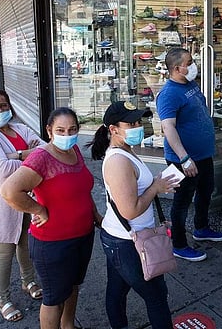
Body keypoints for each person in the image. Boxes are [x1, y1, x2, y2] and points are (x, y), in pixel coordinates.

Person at [0, 107, 103, 329]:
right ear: (49, 130)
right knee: (54, 298)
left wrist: (95, 214)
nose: (67, 135)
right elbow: (9, 191)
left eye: (72, 129)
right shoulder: (41, 158)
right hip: (53, 243)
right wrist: (38, 210)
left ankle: (68, 325)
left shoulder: (74, 150)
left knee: (73, 285)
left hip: (83, 235)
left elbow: (82, 190)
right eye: (61, 130)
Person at [88, 101, 178, 329]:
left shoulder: (126, 151)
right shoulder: (118, 161)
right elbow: (130, 210)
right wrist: (156, 188)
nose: (138, 126)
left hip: (125, 238)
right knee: (157, 295)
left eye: (139, 121)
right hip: (126, 241)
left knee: (117, 290)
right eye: (131, 123)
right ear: (113, 129)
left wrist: (158, 185)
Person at [0, 90, 46, 322]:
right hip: (0, 203)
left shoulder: (20, 129)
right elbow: (1, 169)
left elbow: (44, 150)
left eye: (3, 105)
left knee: (25, 243)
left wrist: (14, 156)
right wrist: (25, 154)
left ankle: (28, 280)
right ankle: (2, 299)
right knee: (3, 251)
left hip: (27, 198)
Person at [157, 47, 222, 262]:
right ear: (178, 68)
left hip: (203, 155)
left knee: (205, 192)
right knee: (182, 200)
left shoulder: (190, 85)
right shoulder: (168, 94)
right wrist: (184, 158)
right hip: (183, 160)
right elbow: (168, 128)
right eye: (190, 61)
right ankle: (178, 244)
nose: (193, 64)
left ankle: (201, 228)